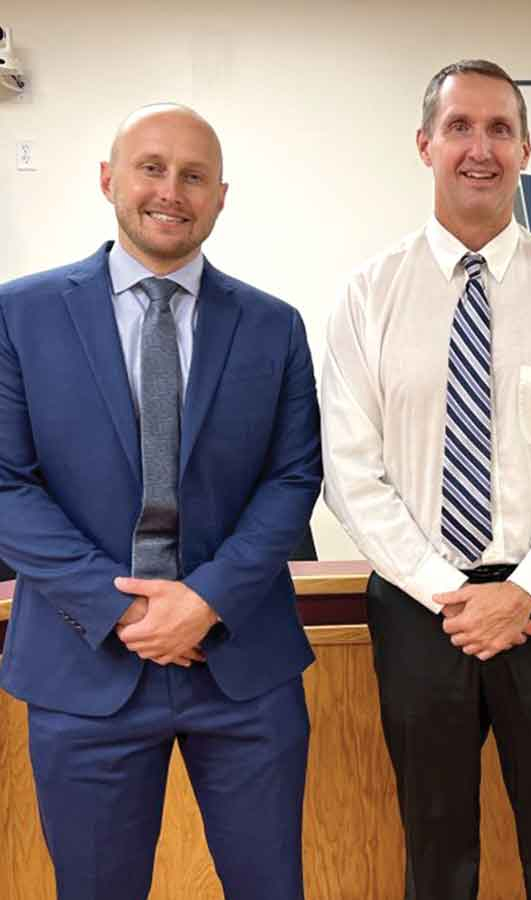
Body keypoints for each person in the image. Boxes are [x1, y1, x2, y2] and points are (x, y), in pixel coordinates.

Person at [320, 59, 531, 899]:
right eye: (460, 127)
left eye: (500, 129)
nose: (479, 147)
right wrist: (445, 592)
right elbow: (351, 471)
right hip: (422, 611)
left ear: (526, 149)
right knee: (436, 848)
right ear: (425, 144)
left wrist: (525, 588)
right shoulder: (367, 295)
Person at [0, 103, 322, 900]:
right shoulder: (20, 313)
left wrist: (205, 601)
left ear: (220, 196)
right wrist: (126, 613)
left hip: (243, 667)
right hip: (85, 666)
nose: (170, 191)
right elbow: (6, 483)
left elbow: (293, 479)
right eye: (151, 167)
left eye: (193, 175)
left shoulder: (273, 327)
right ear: (110, 179)